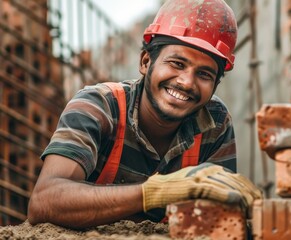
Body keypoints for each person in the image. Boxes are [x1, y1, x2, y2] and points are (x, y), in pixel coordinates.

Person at [27, 0, 262, 229]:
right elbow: (44, 202)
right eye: (177, 64)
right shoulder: (99, 106)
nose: (187, 82)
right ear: (146, 61)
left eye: (204, 74)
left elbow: (221, 223)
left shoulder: (215, 123)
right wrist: (157, 191)